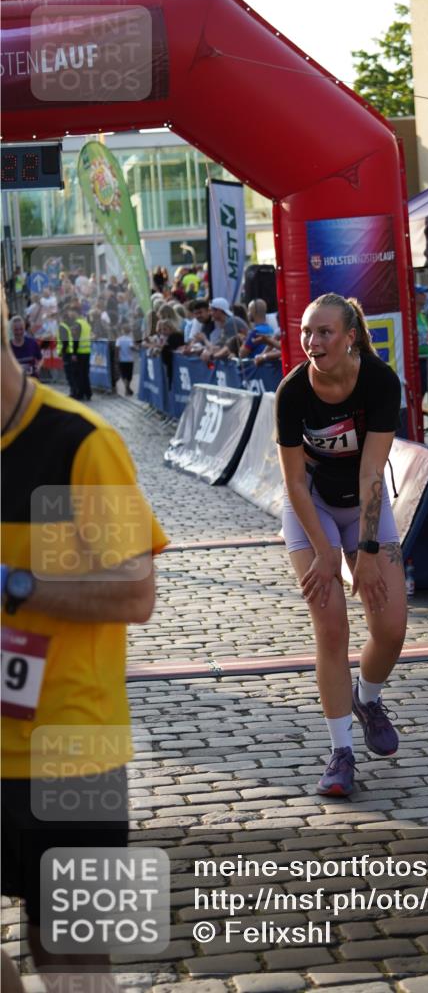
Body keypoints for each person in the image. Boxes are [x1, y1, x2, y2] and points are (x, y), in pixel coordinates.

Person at [1, 315, 167, 993]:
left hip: (73, 749)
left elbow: (135, 592)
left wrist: (15, 583)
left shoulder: (81, 441)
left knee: (70, 956)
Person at [275, 293, 407, 798]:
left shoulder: (378, 380)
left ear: (350, 336)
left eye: (324, 332)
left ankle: (367, 699)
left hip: (366, 505)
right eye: (307, 332)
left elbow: (374, 471)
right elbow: (290, 482)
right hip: (311, 506)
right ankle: (341, 752)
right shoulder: (291, 392)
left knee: (390, 626)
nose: (312, 342)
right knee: (331, 626)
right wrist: (325, 552)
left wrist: (368, 551)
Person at [414, 285, 428, 399]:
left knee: (424, 389)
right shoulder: (410, 316)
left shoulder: (422, 316)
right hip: (416, 360)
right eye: (422, 293)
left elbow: (427, 339)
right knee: (418, 390)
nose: (425, 296)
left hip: (425, 359)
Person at [115, 324, 138, 396]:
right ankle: (127, 388)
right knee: (129, 375)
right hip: (129, 360)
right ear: (129, 331)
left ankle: (126, 388)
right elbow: (132, 347)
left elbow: (117, 349)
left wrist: (117, 357)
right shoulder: (130, 339)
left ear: (122, 331)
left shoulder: (119, 339)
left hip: (121, 360)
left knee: (123, 375)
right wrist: (137, 349)